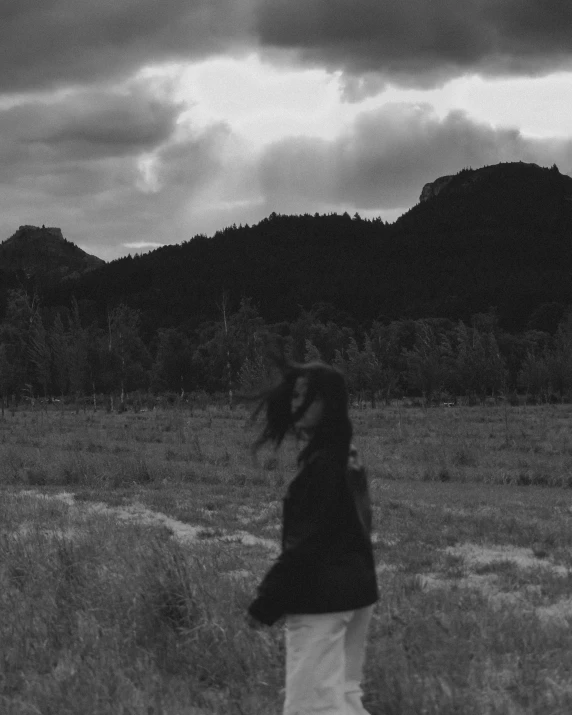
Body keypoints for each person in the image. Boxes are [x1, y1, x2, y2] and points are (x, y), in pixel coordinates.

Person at [247, 359, 379, 715]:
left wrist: (265, 603)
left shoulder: (323, 466)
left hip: (322, 599)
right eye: (295, 395)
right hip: (358, 591)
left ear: (329, 403)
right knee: (346, 699)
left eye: (307, 397)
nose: (295, 403)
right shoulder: (347, 456)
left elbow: (306, 546)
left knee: (311, 708)